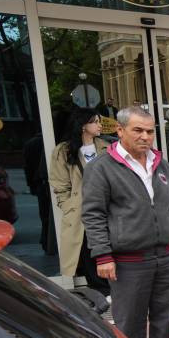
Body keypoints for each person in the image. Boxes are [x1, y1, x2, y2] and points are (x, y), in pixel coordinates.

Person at [81, 105, 169, 338]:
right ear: (120, 131)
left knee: (164, 314)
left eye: (150, 131)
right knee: (130, 319)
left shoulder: (160, 162)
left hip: (166, 254)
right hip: (128, 260)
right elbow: (93, 214)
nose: (145, 136)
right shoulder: (101, 167)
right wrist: (103, 255)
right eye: (138, 130)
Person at [48, 109, 111, 297]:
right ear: (83, 125)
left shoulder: (107, 147)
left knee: (109, 243)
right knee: (86, 248)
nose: (100, 125)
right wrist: (68, 205)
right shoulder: (63, 150)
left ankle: (114, 286)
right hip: (81, 208)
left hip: (107, 206)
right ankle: (100, 289)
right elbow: (60, 183)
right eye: (95, 121)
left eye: (99, 121)